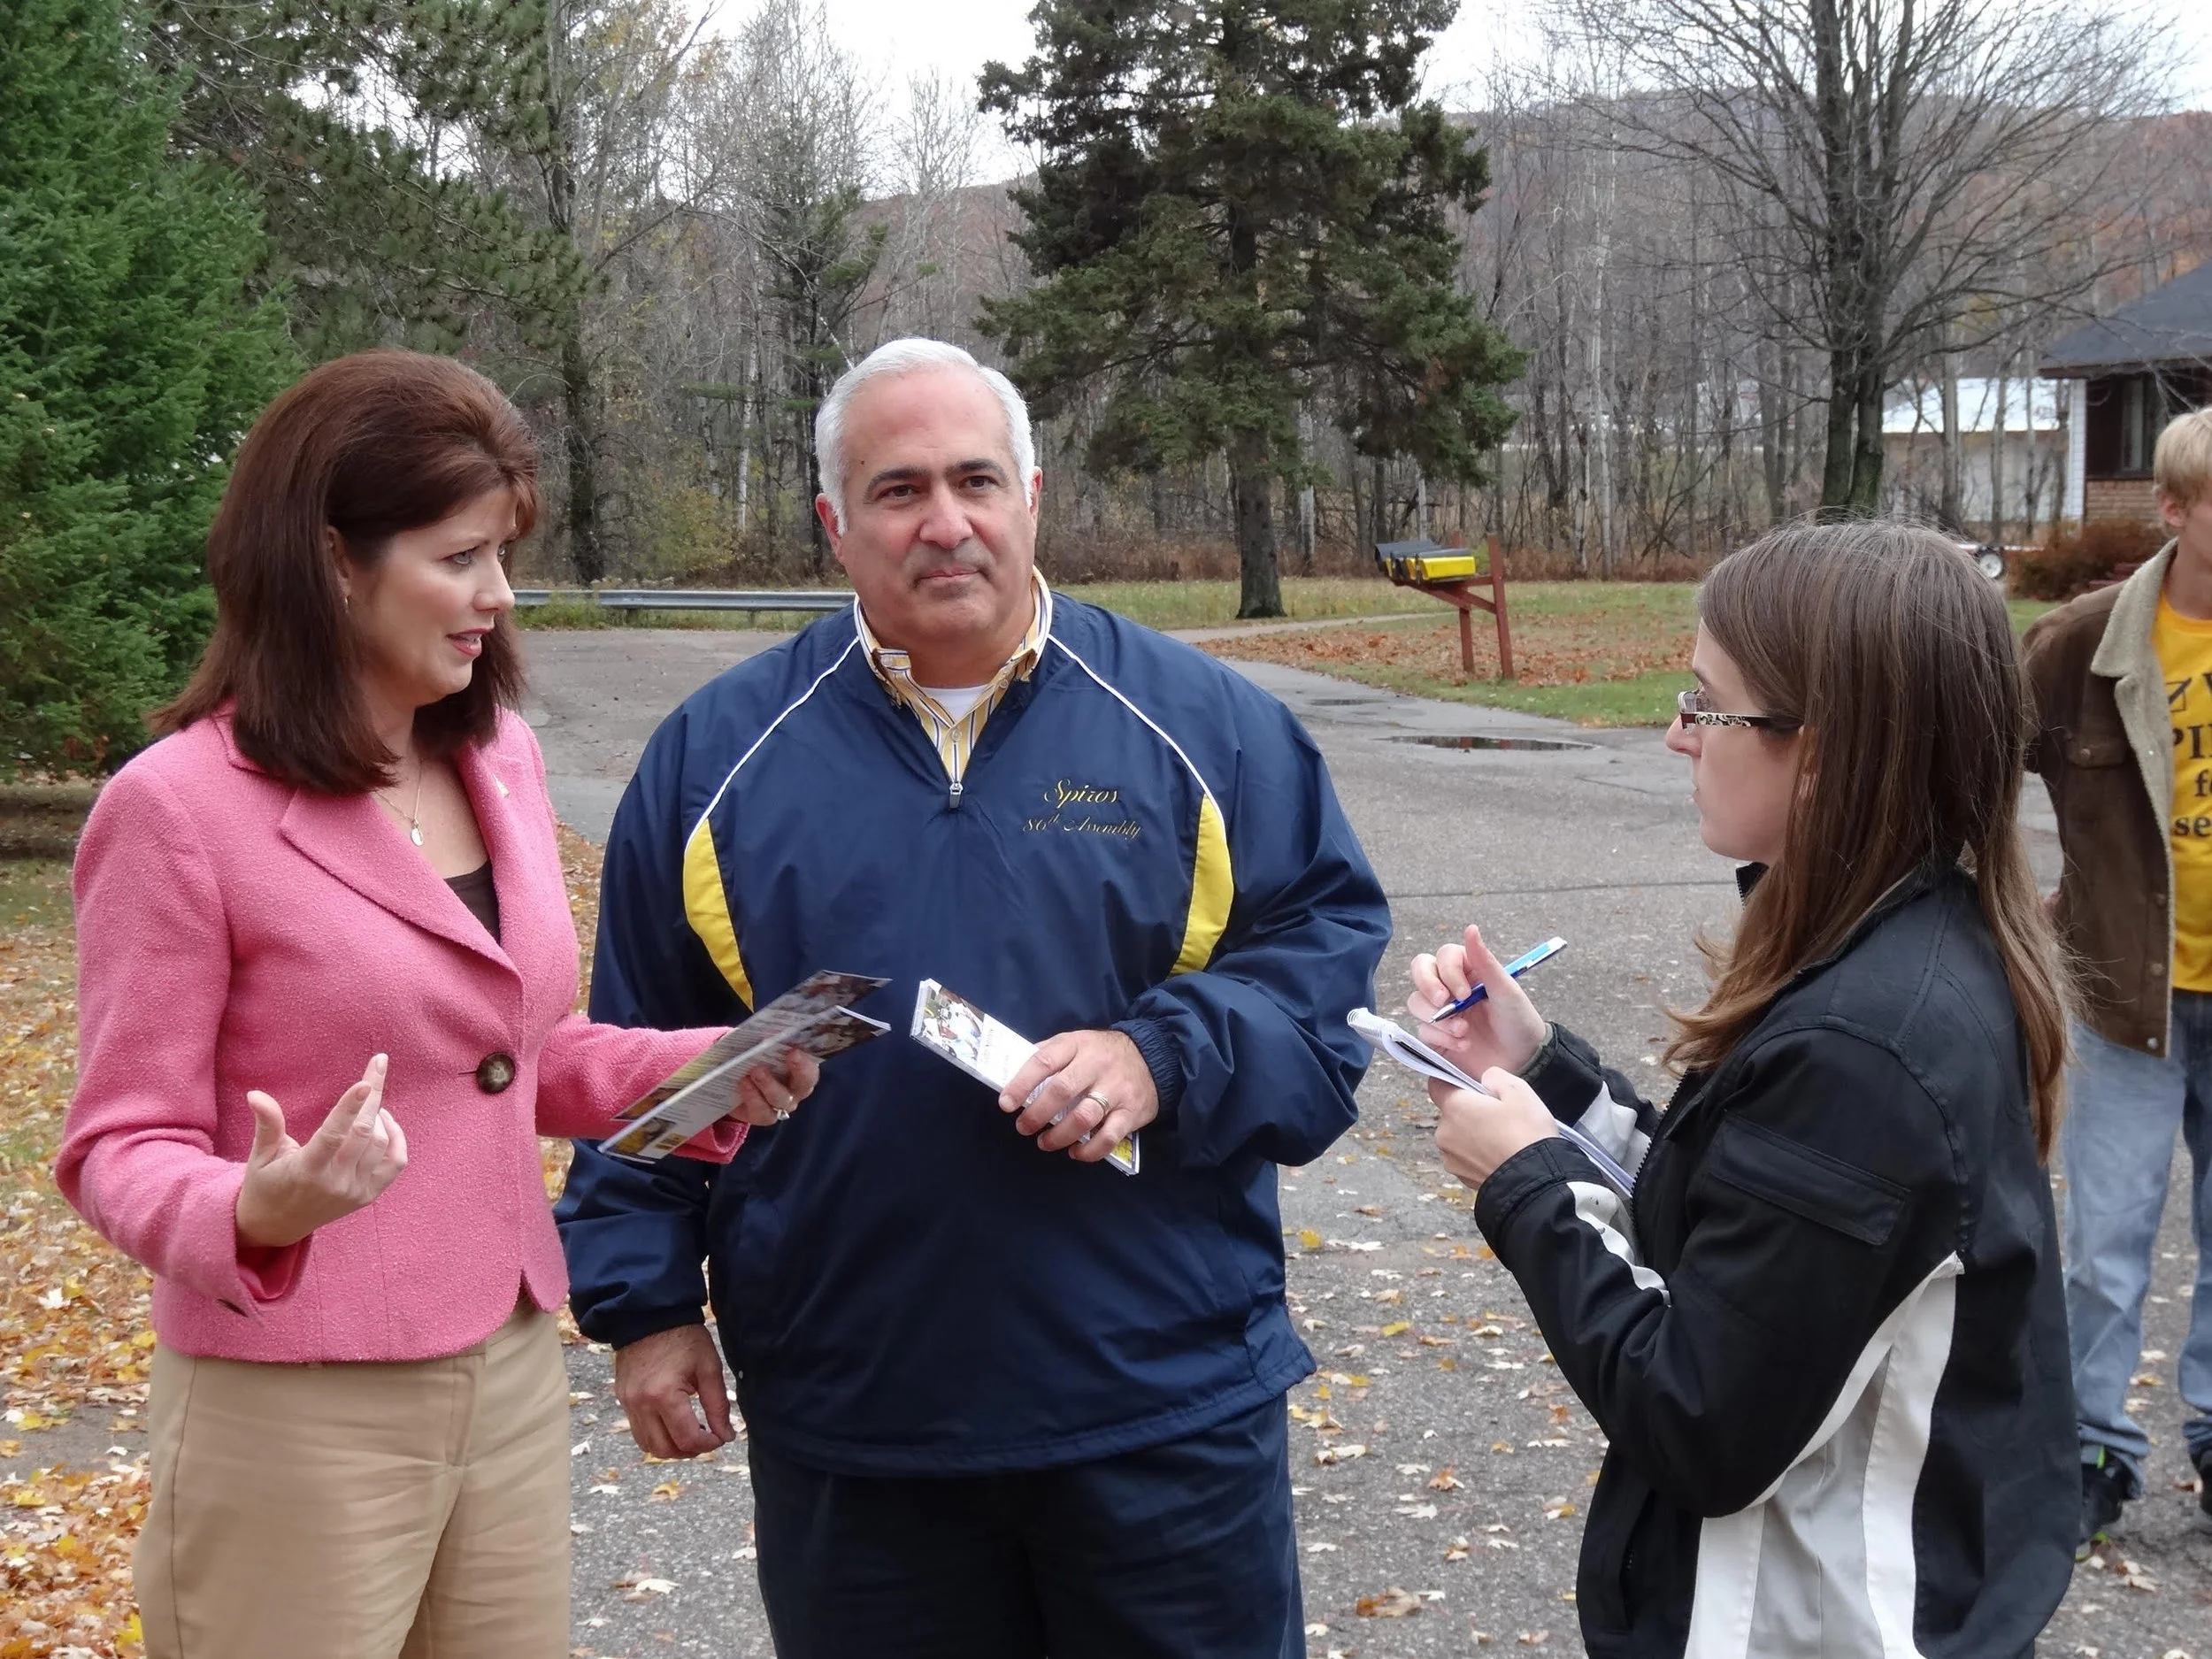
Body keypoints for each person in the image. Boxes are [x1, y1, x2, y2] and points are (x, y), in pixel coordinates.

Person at [554, 336, 1390, 1658]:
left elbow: (1323, 995)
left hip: (1162, 1407)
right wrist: (645, 1304)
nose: (945, 523)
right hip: (860, 1417)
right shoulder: (716, 759)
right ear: (835, 523)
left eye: (975, 480)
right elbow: (638, 1055)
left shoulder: (1208, 729)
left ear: (1034, 497)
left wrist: (1159, 1053)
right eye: (897, 491)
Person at [56, 349, 815, 1659]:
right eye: (459, 556)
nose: (497, 595)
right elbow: (115, 1144)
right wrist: (252, 1206)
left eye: (501, 552)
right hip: (292, 1400)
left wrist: (704, 1063)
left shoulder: (497, 754)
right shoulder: (177, 811)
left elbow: (513, 1053)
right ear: (333, 558)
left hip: (510, 1363)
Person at [1407, 522, 2078, 1656]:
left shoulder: (1868, 1047)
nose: (1674, 734)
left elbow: (1698, 1418)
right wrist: (1545, 1079)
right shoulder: (1901, 945)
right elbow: (1741, 1235)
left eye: (1706, 705)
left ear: (1822, 750)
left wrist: (1525, 1183)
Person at [2023, 404, 2212, 1553]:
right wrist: (2014, 901)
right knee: (2106, 1238)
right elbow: (1965, 768)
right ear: (2178, 512)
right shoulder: (2083, 646)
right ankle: (2093, 1443)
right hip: (2125, 1000)